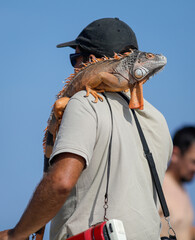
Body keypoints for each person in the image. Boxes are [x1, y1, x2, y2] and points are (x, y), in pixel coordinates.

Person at [0, 18, 173, 240]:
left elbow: (60, 182)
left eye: (75, 58)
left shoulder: (85, 103)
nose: (74, 67)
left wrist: (16, 235)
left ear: (91, 60)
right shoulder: (159, 121)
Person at [160, 126, 195, 240]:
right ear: (175, 153)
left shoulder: (182, 189)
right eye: (193, 161)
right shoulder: (159, 186)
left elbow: (183, 230)